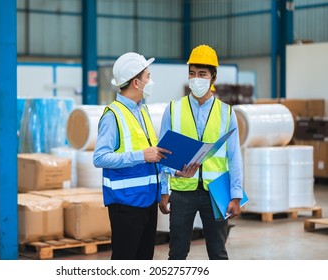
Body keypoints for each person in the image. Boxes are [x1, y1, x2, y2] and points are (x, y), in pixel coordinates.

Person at [158, 45, 244, 260]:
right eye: (192, 73)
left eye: (202, 74)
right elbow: (162, 154)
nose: (196, 79)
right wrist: (164, 190)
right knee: (177, 252)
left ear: (212, 77)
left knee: (218, 252)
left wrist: (236, 195)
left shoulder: (227, 113)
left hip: (216, 193)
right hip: (182, 191)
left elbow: (234, 156)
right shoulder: (173, 109)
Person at [93, 52, 171, 260]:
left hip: (147, 200)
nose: (150, 81)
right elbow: (100, 157)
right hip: (125, 204)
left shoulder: (142, 110)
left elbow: (152, 154)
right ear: (136, 82)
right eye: (148, 76)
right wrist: (141, 156)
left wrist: (163, 189)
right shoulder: (113, 115)